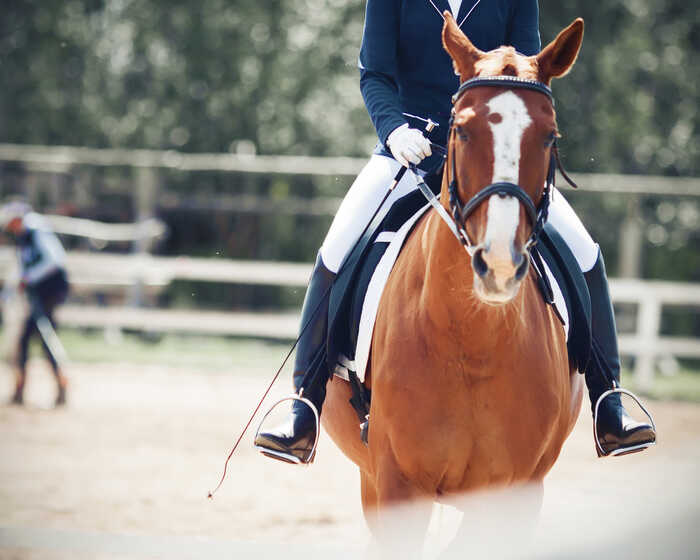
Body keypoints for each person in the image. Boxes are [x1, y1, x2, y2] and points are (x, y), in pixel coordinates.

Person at [255, 0, 656, 462]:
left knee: (585, 253)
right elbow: (375, 74)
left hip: (492, 155)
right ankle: (304, 404)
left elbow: (525, 71)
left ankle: (609, 401)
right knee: (337, 248)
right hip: (410, 148)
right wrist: (394, 131)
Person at [1, 202, 70, 407]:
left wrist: (30, 278)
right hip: (39, 294)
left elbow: (54, 261)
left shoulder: (37, 231)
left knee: (38, 338)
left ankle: (55, 386)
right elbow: (22, 271)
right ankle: (29, 389)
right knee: (37, 339)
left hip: (50, 292)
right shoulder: (24, 238)